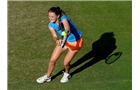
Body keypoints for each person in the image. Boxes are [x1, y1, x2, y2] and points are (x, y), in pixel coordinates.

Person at [36, 6, 83, 83]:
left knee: (66, 63)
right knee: (52, 60)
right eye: (49, 16)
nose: (50, 18)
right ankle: (48, 76)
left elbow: (68, 29)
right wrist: (57, 41)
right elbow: (54, 36)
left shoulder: (64, 18)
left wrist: (65, 34)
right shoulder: (50, 25)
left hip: (75, 42)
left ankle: (67, 73)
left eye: (52, 16)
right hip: (63, 40)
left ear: (58, 16)